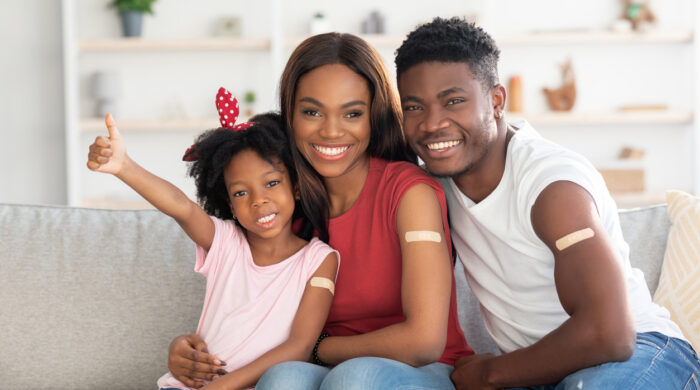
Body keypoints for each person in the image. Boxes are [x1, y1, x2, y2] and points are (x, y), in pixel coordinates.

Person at [395, 16, 700, 390]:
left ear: (496, 101)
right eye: (414, 108)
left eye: (453, 101)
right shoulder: (428, 186)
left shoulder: (551, 185)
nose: (431, 124)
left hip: (641, 352)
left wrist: (490, 374)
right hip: (538, 373)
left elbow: (610, 333)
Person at [166, 33, 473, 390]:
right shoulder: (280, 208)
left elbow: (424, 342)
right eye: (311, 112)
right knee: (283, 378)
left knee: (356, 377)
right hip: (325, 371)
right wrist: (187, 353)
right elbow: (241, 304)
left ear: (373, 117)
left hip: (423, 371)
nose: (330, 131)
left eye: (352, 113)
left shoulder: (408, 192)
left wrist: (317, 348)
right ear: (290, 116)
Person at [86, 90, 339, 390]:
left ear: (296, 187)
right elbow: (181, 207)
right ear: (230, 205)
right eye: (241, 193)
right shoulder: (226, 243)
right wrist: (124, 166)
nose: (259, 201)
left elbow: (299, 346)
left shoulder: (320, 259)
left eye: (272, 183)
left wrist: (221, 387)